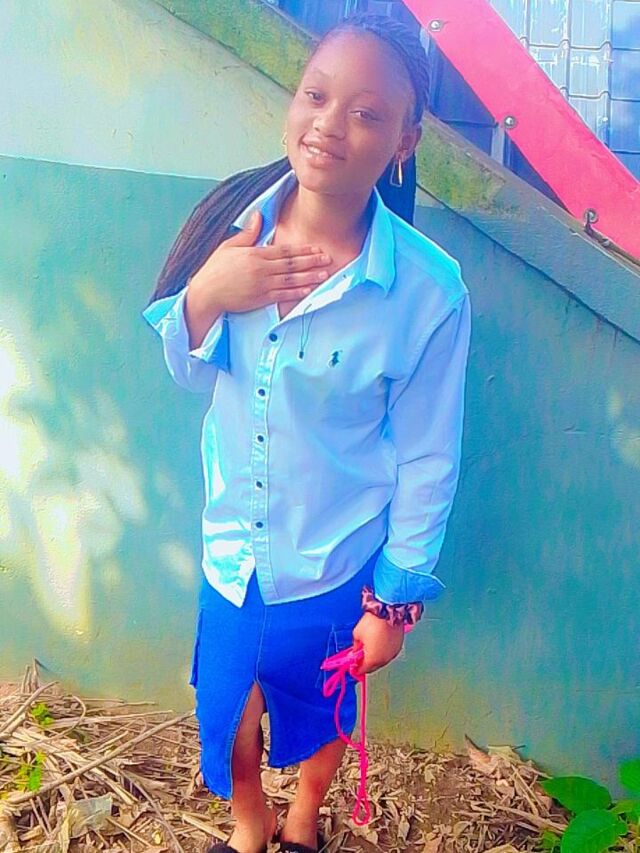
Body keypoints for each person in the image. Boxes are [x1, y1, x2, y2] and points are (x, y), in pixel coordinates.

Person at [142, 11, 472, 853]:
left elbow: (428, 457)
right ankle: (249, 821)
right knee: (229, 715)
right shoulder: (234, 230)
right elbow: (187, 371)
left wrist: (393, 602)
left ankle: (302, 818)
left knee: (326, 707)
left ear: (404, 140)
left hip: (337, 558)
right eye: (316, 96)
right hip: (234, 558)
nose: (329, 124)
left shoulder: (428, 292)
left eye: (366, 113)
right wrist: (210, 293)